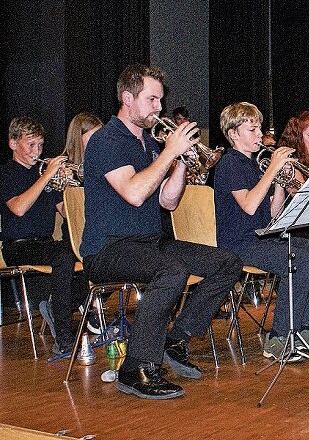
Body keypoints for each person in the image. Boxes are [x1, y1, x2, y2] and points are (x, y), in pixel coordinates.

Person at [81, 64, 243, 400]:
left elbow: (168, 202)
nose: (159, 107)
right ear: (127, 99)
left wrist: (182, 161)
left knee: (227, 262)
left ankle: (175, 337)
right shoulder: (105, 140)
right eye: (152, 99)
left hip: (150, 242)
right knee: (172, 270)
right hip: (108, 248)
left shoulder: (149, 144)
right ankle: (135, 367)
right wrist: (170, 151)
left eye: (160, 100)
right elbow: (135, 193)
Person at [214, 102, 309, 361]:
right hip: (239, 242)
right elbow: (248, 206)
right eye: (252, 129)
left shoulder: (255, 164)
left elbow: (273, 213)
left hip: (263, 236)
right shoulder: (229, 164)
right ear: (234, 134)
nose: (260, 134)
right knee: (299, 260)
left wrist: (280, 181)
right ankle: (279, 338)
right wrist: (272, 171)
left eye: (259, 128)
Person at [0, 116, 89, 354]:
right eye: (31, 145)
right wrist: (47, 177)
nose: (37, 151)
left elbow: (67, 213)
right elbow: (18, 208)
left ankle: (57, 307)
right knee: (63, 254)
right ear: (13, 144)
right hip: (16, 246)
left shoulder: (43, 176)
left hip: (44, 244)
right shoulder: (8, 173)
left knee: (90, 252)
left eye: (40, 145)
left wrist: (71, 187)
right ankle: (64, 335)